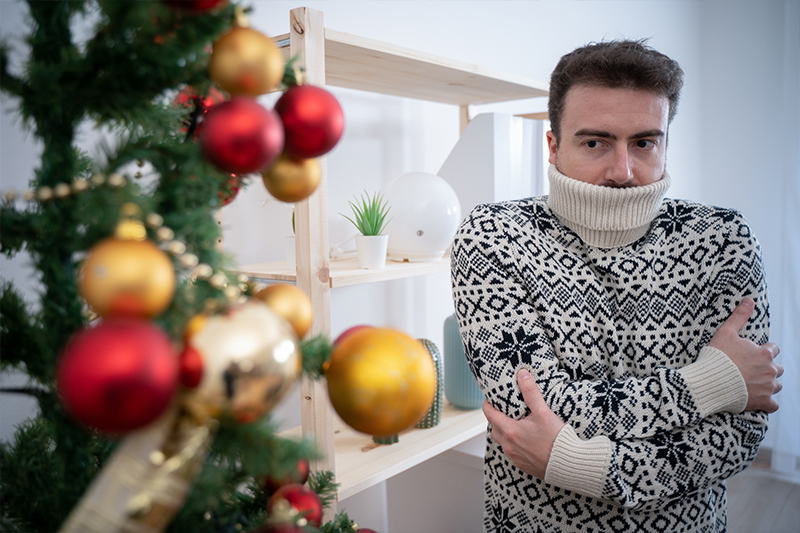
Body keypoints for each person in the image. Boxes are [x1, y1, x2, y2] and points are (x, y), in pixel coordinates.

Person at [450, 39, 784, 533]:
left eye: (644, 142)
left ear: (665, 142)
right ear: (553, 145)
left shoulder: (723, 239)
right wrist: (713, 382)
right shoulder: (495, 237)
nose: (623, 172)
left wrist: (574, 463)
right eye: (595, 142)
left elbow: (738, 435)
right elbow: (533, 414)